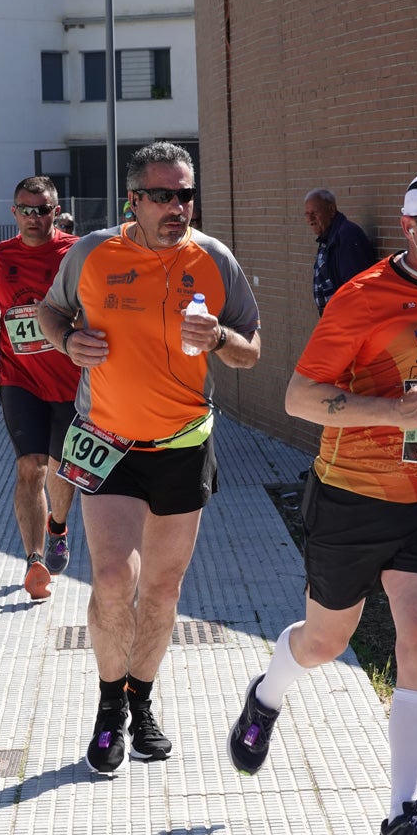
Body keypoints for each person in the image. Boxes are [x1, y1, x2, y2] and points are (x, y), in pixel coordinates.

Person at [228, 169, 417, 835]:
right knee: (325, 643)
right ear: (412, 226)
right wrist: (390, 413)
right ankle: (267, 695)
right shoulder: (360, 299)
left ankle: (402, 815)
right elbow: (301, 396)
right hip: (351, 499)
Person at [38, 141, 260, 770]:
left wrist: (219, 338)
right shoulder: (91, 253)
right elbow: (50, 312)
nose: (177, 206)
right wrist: (68, 340)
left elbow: (253, 349)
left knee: (162, 590)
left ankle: (143, 703)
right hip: (107, 443)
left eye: (185, 193)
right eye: (162, 195)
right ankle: (109, 710)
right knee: (113, 579)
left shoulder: (214, 258)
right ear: (132, 199)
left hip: (183, 445)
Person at [0, 176, 79, 600]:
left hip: (69, 381)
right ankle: (34, 561)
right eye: (26, 209)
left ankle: (58, 525)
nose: (34, 217)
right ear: (14, 212)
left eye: (42, 209)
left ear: (56, 212)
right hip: (18, 378)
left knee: (61, 468)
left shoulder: (75, 252)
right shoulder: (3, 255)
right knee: (31, 467)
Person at [304, 189, 377, 316]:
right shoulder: (327, 238)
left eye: (315, 212)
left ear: (331, 210)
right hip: (334, 320)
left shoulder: (347, 236)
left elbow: (356, 287)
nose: (310, 219)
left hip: (347, 321)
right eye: (307, 213)